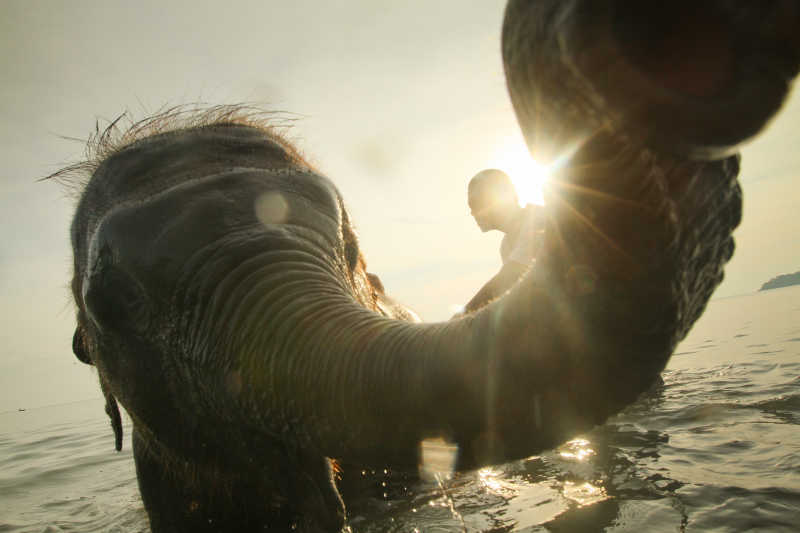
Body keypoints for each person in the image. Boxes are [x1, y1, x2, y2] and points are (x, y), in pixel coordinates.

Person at [462, 169, 545, 314]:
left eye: (476, 203)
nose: (472, 212)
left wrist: (461, 317)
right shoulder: (506, 245)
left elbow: (510, 277)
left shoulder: (537, 218)